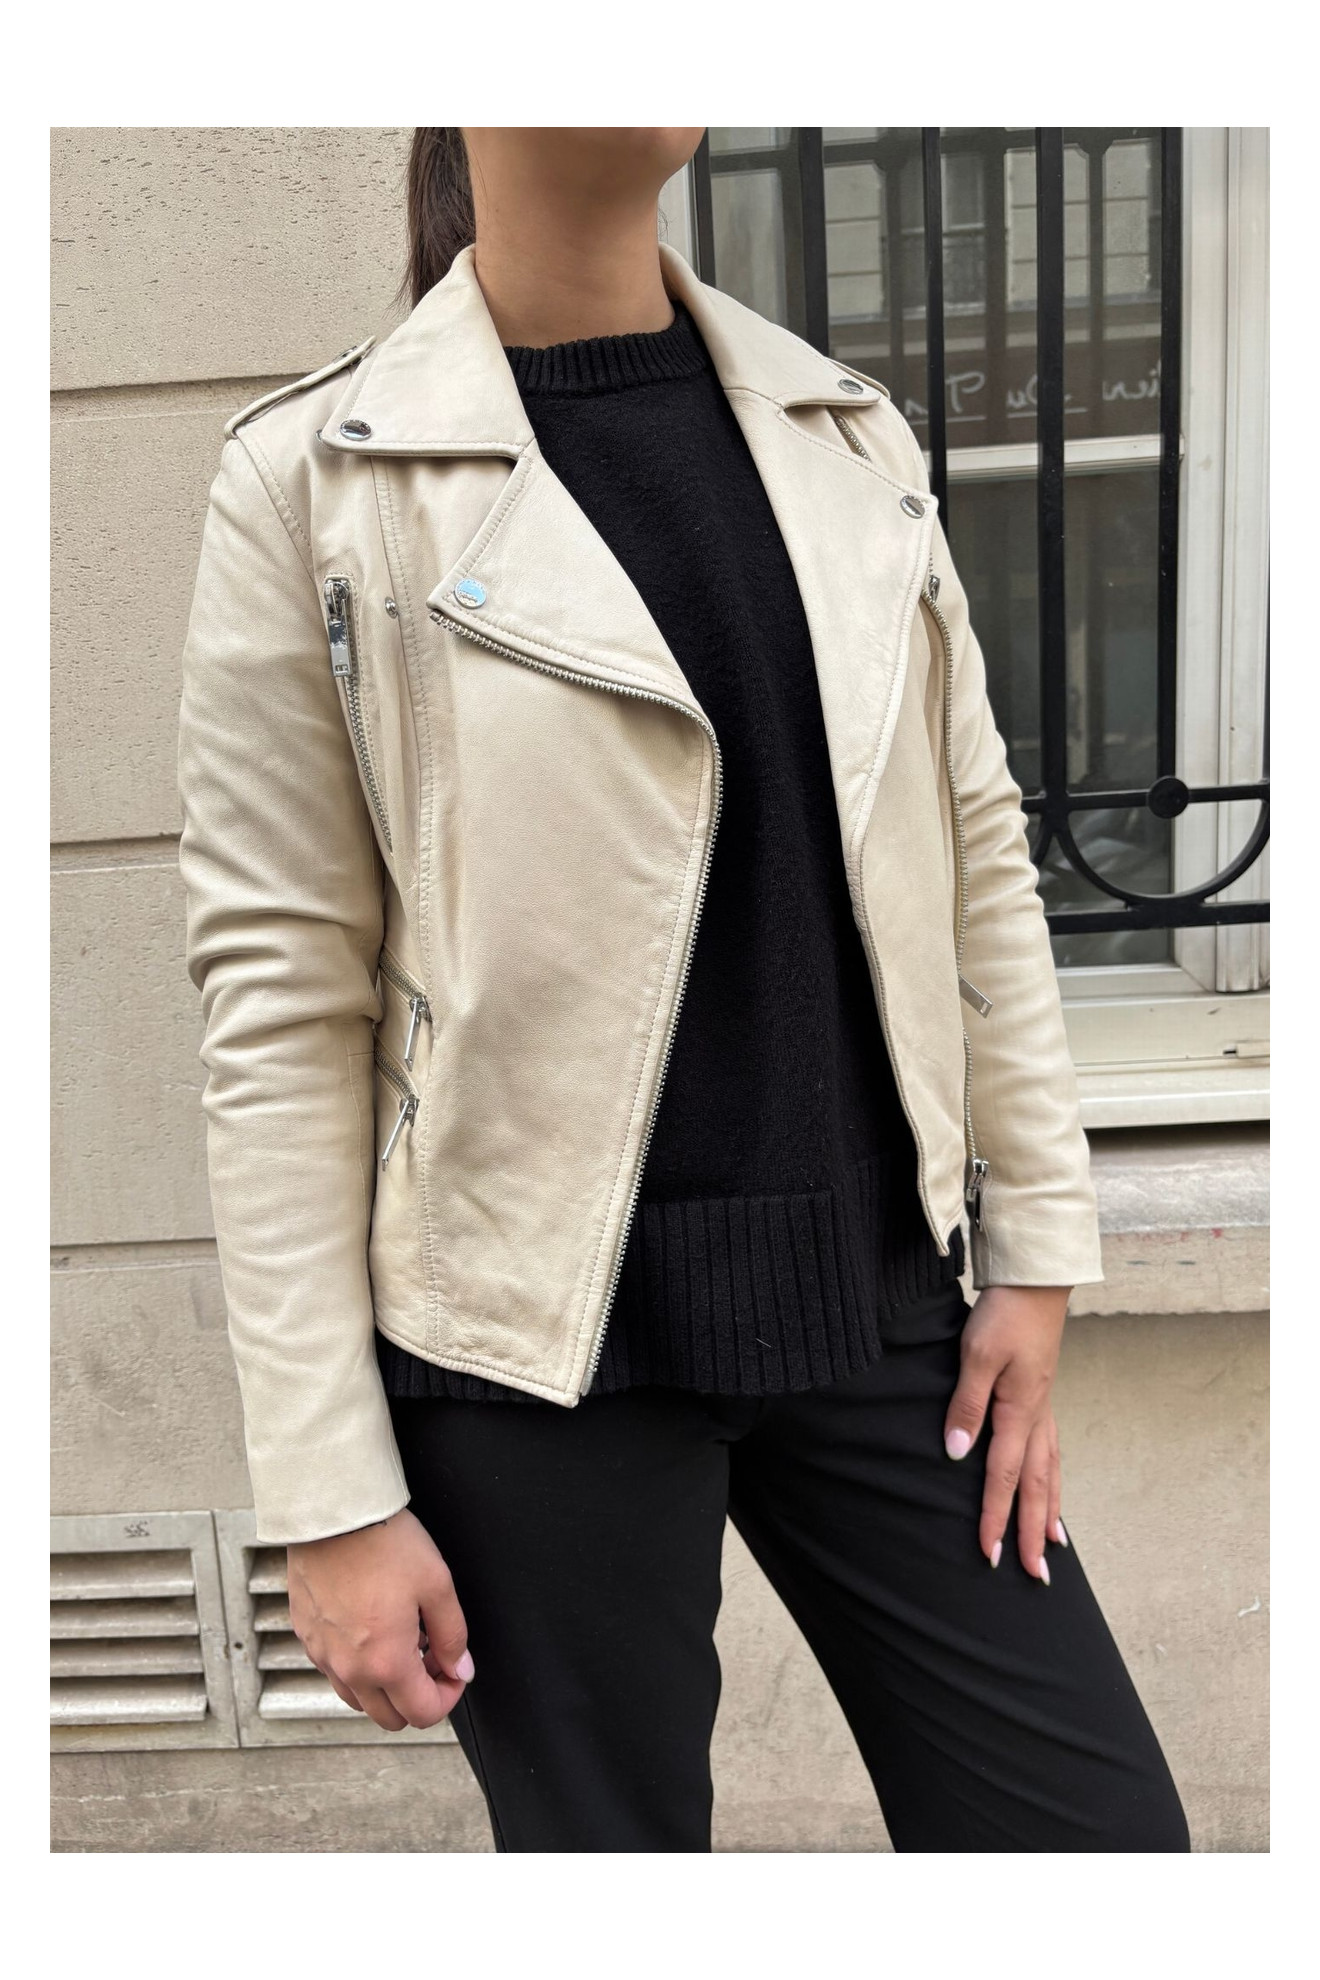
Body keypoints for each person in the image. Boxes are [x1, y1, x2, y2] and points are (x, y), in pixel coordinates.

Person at [178, 126, 1189, 1853]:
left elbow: (977, 862)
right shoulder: (318, 481)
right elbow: (277, 1006)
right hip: (526, 1354)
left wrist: (1037, 1254)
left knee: (1097, 1849)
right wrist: (329, 1492)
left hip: (882, 1307)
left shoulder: (843, 436)